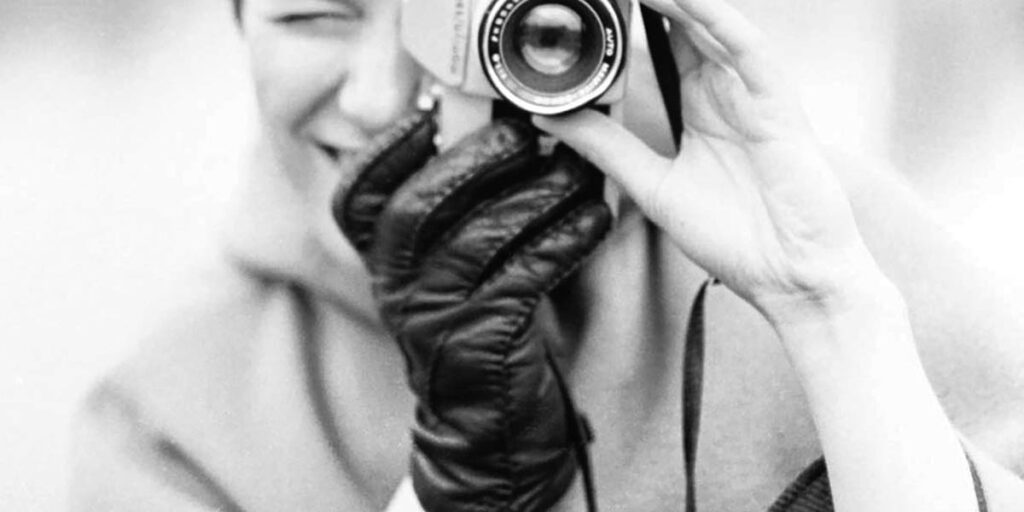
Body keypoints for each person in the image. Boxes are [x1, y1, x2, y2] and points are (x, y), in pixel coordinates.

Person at [70, 0, 1024, 510]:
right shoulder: (171, 421)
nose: (377, 97)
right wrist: (453, 493)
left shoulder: (844, 251)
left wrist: (827, 309)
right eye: (314, 15)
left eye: (446, 19)